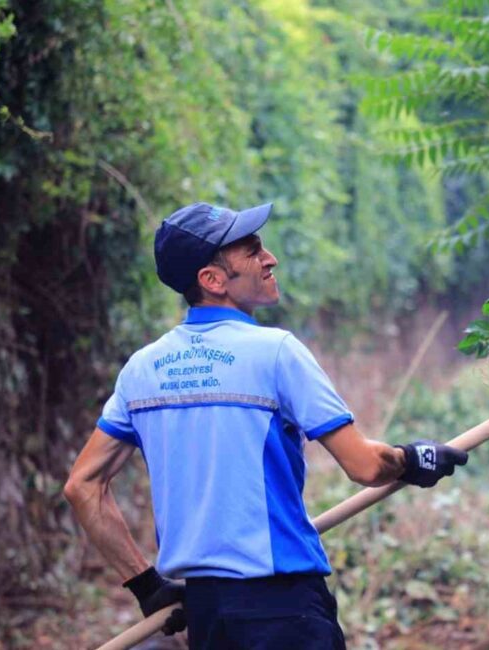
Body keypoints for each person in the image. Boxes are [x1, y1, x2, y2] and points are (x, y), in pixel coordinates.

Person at [63, 202, 467, 649]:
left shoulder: (142, 371)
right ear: (212, 280)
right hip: (284, 609)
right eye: (252, 250)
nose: (269, 257)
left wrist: (145, 585)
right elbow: (366, 467)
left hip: (208, 617)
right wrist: (415, 458)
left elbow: (82, 486)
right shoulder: (275, 353)